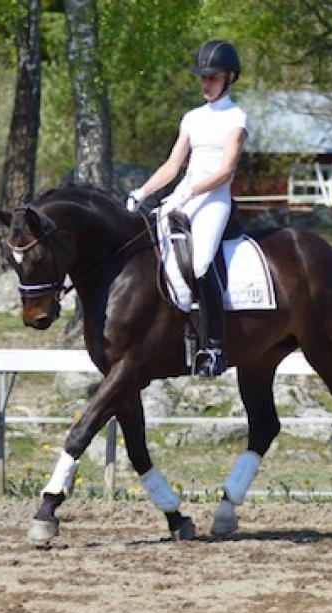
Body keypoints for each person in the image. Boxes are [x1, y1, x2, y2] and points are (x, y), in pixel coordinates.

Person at [125, 40, 250, 378]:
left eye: (212, 78)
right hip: (185, 192)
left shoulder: (237, 119)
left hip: (214, 198)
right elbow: (172, 164)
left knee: (199, 263)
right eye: (203, 77)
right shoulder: (192, 118)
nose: (205, 83)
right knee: (151, 246)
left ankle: (215, 347)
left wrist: (191, 192)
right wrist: (143, 191)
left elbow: (225, 171)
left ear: (229, 78)